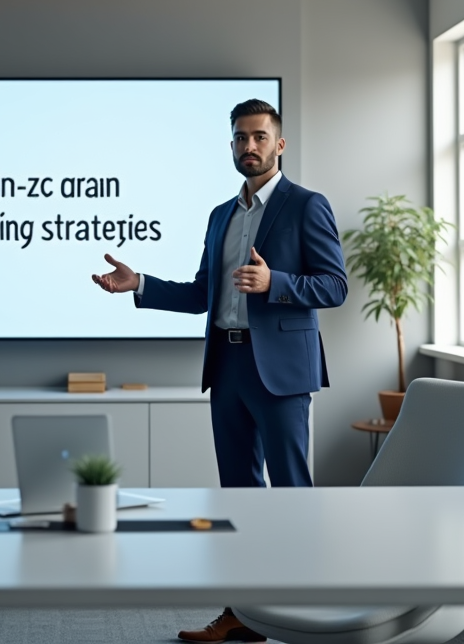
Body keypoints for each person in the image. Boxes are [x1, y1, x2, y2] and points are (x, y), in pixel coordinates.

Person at [92, 98, 347, 643]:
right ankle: (243, 614)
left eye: (259, 137)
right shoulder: (220, 216)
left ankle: (305, 614)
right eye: (240, 138)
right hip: (227, 362)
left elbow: (335, 285)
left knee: (291, 493)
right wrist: (140, 284)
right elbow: (200, 293)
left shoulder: (306, 206)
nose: (248, 146)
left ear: (280, 144)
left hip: (279, 371)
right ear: (231, 145)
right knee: (238, 497)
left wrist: (275, 282)